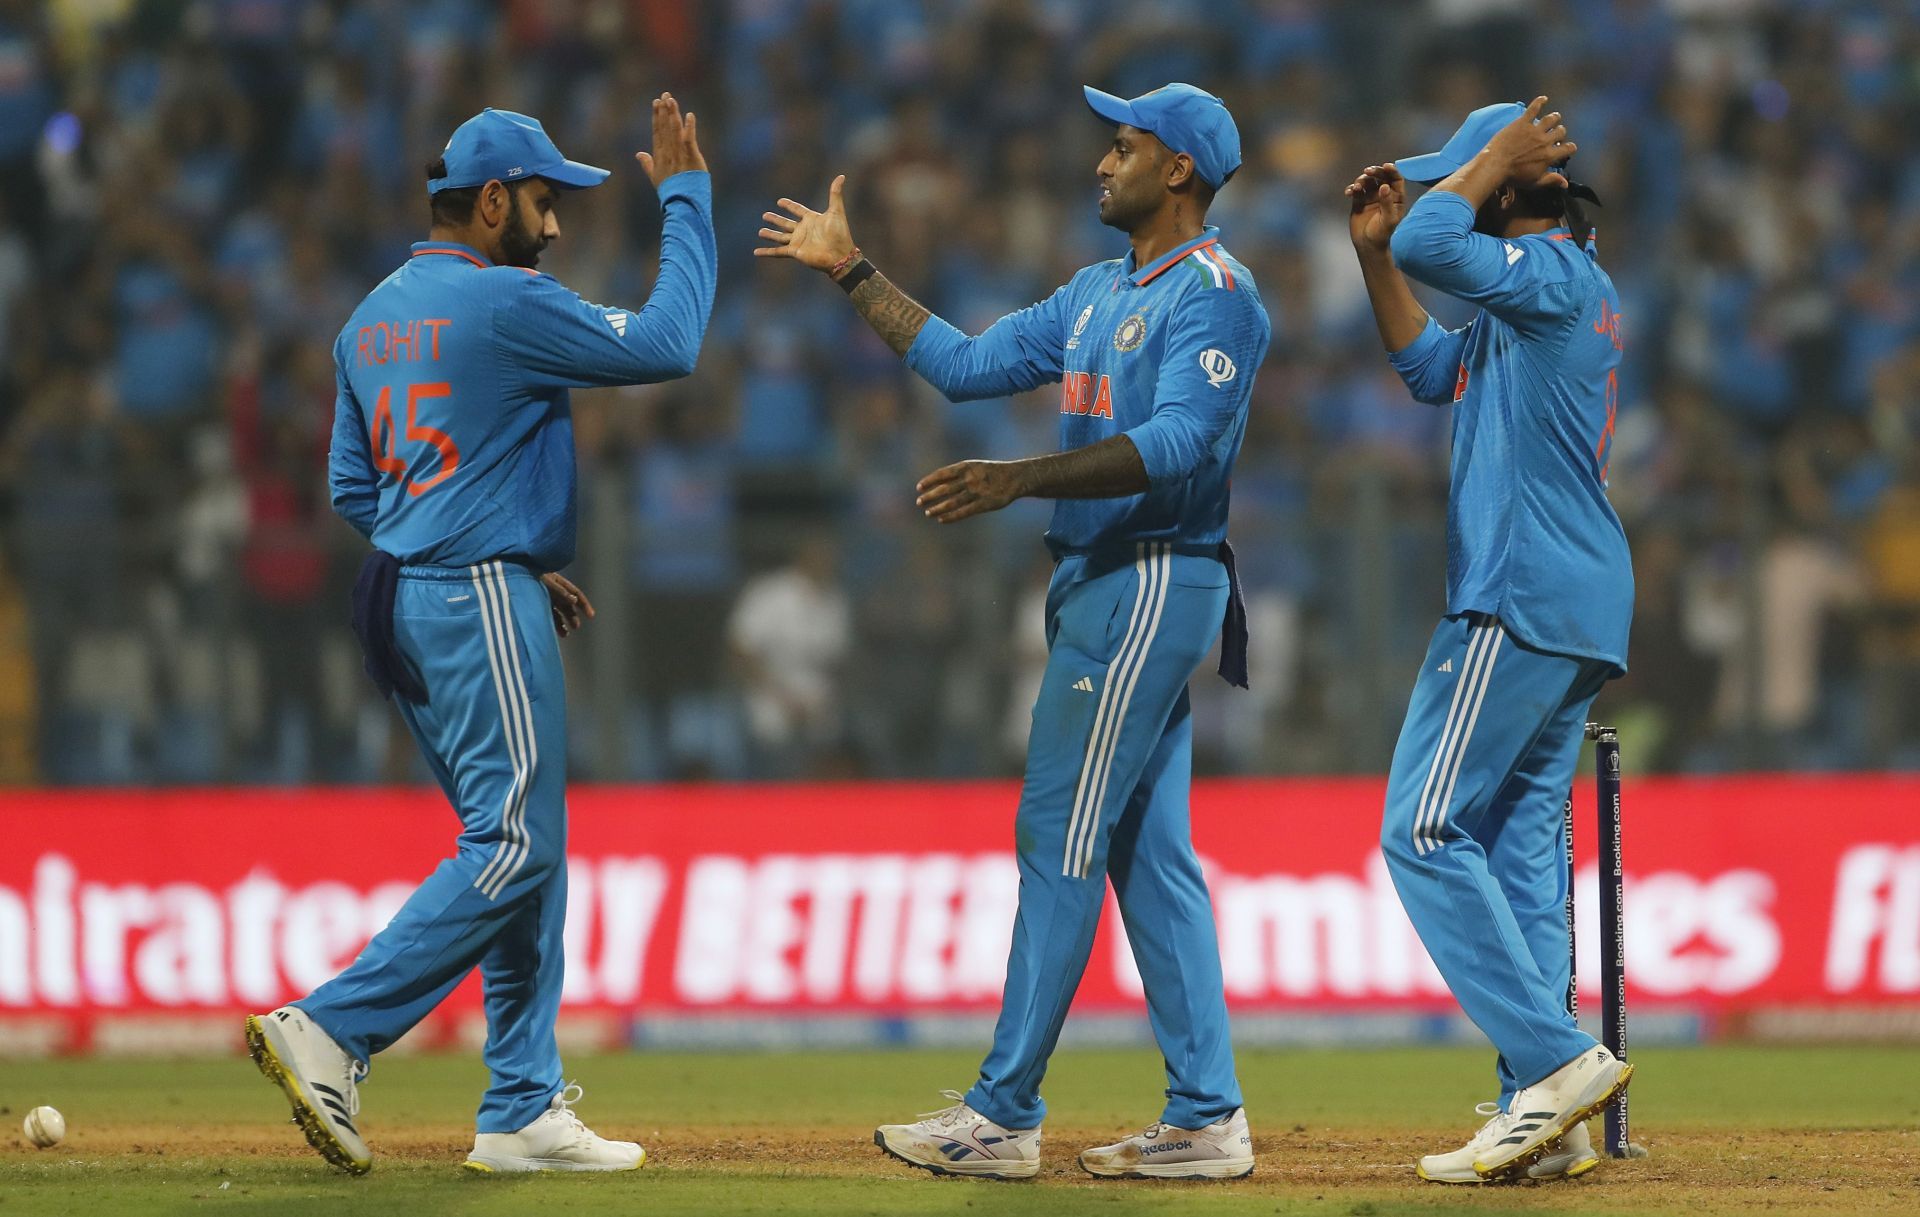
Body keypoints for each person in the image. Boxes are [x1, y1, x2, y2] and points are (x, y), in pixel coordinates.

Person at [758, 83, 1269, 1181]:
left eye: (1122, 147)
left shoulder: (1217, 294)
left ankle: (1002, 1113)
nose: (1101, 163)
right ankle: (1208, 1115)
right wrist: (853, 269)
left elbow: (1179, 440)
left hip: (1147, 582)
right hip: (1105, 587)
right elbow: (965, 364)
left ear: (1177, 169)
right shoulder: (1095, 290)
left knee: (1058, 837)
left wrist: (1021, 478)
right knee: (1148, 854)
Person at [244, 97, 716, 1175]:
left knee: (519, 845)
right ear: (494, 198)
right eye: (545, 202)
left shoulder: (367, 319)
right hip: (472, 597)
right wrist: (686, 199)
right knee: (516, 842)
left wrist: (468, 530)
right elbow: (670, 342)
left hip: (407, 592)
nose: (554, 228)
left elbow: (352, 485)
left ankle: (521, 1106)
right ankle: (332, 1024)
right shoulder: (506, 301)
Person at [1346, 97, 1634, 1184]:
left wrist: (1482, 171)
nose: (1428, 193)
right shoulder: (1544, 299)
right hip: (1575, 599)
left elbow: (1435, 236)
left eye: (1461, 173)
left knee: (1421, 828)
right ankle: (1537, 1108)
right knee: (1514, 842)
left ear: (1509, 181)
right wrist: (1376, 260)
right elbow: (1428, 370)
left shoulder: (1551, 279)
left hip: (1515, 595)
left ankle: (1555, 1059)